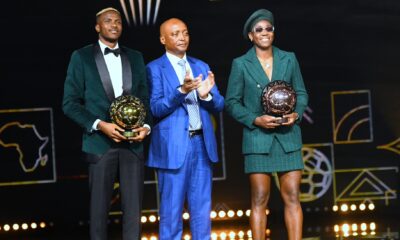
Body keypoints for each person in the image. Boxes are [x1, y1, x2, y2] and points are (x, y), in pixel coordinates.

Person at [62, 7, 151, 240]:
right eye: (108, 21)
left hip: (133, 145)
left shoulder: (136, 56)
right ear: (97, 27)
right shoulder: (81, 57)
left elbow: (145, 99)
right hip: (100, 144)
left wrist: (146, 127)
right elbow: (69, 103)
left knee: (133, 214)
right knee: (99, 213)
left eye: (118, 21)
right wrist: (100, 124)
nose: (114, 25)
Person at [225, 9, 308, 240]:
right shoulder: (241, 64)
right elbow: (231, 102)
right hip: (257, 138)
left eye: (268, 28)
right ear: (251, 36)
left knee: (292, 195)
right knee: (260, 197)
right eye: (258, 30)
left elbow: (301, 93)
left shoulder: (289, 58)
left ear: (274, 32)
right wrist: (254, 119)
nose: (264, 33)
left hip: (288, 136)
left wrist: (296, 114)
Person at [146, 18, 224, 240]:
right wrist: (181, 90)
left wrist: (206, 95)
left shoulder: (201, 66)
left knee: (202, 213)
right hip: (172, 149)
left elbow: (219, 104)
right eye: (175, 34)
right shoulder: (154, 68)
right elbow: (155, 108)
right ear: (163, 39)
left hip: (201, 144)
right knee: (171, 214)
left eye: (185, 33)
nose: (182, 37)